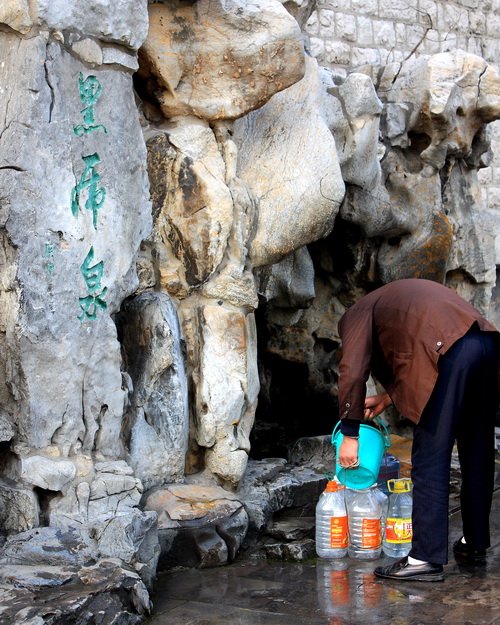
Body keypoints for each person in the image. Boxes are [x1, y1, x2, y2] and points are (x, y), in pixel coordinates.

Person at [337, 278, 499, 581]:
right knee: (478, 452)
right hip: (487, 346)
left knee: (429, 459)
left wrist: (350, 433)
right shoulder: (393, 301)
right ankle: (474, 542)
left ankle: (423, 558)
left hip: (450, 353)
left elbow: (353, 369)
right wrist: (387, 398)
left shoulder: (355, 315)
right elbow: (417, 342)